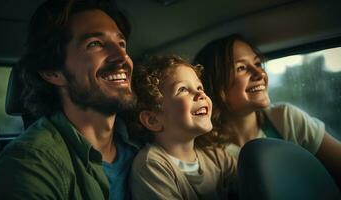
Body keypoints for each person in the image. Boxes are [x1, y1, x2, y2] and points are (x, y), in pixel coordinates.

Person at [0, 0, 140, 199]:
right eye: (95, 44)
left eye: (121, 43)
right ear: (53, 72)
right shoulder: (28, 164)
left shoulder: (144, 141)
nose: (121, 56)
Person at [194, 34, 341, 187]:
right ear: (216, 84)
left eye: (257, 64)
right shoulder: (204, 153)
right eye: (242, 68)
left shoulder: (285, 119)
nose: (260, 74)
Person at [130, 55, 237, 200]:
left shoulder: (218, 158)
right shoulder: (152, 165)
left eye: (199, 87)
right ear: (153, 120)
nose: (200, 94)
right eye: (183, 89)